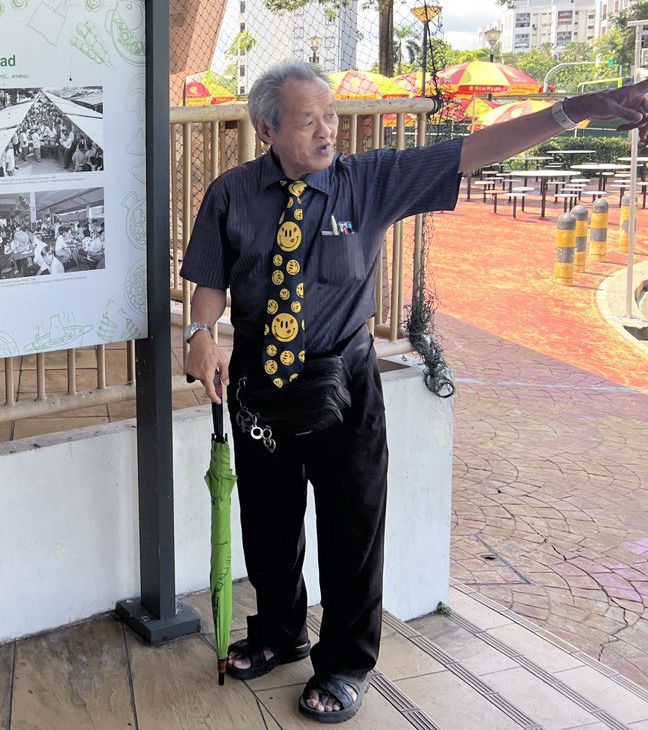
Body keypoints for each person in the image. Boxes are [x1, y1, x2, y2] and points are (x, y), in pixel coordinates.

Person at [180, 61, 648, 723]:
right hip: (261, 383)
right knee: (269, 524)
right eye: (308, 119)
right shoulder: (231, 194)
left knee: (351, 530)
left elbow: (471, 151)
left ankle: (343, 664)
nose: (327, 131)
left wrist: (582, 107)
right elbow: (208, 279)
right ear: (268, 128)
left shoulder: (366, 182)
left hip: (345, 383)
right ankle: (279, 634)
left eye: (330, 115)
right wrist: (202, 332)